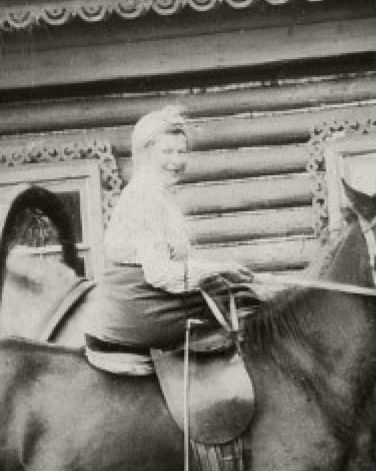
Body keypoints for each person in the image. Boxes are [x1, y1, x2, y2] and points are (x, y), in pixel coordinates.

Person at [84, 105, 253, 368]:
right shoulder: (144, 196)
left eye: (182, 151)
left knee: (241, 299)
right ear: (144, 153)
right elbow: (160, 274)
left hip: (152, 301)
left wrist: (218, 272)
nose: (177, 160)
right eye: (167, 151)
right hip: (138, 311)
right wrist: (220, 270)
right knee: (248, 318)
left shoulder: (158, 194)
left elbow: (176, 260)